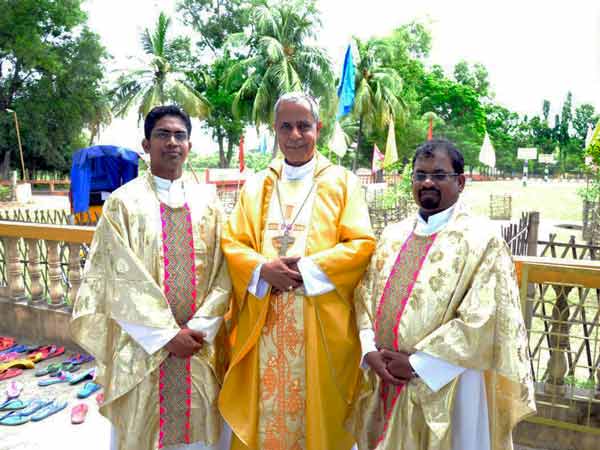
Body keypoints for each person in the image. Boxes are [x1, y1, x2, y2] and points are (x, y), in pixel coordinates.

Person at [350, 139, 536, 450]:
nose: (427, 183)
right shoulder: (393, 235)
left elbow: (484, 318)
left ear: (461, 181)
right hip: (385, 378)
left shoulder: (480, 240)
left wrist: (418, 364)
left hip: (449, 383)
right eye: (419, 174)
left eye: (439, 175)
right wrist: (369, 350)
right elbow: (364, 296)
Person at [219, 92, 376, 450]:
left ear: (318, 128)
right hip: (264, 322)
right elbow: (233, 242)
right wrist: (262, 270)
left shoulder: (342, 182)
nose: (294, 134)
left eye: (303, 126)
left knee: (318, 421)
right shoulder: (257, 185)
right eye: (285, 126)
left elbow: (362, 243)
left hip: (318, 324)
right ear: (274, 130)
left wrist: (307, 270)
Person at [71, 105, 232, 450]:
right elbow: (117, 277)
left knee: (201, 432)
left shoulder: (209, 203)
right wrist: (165, 334)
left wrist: (200, 328)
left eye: (180, 135)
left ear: (189, 145)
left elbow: (225, 271)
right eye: (163, 134)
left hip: (199, 347)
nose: (172, 142)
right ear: (146, 144)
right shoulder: (123, 204)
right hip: (144, 350)